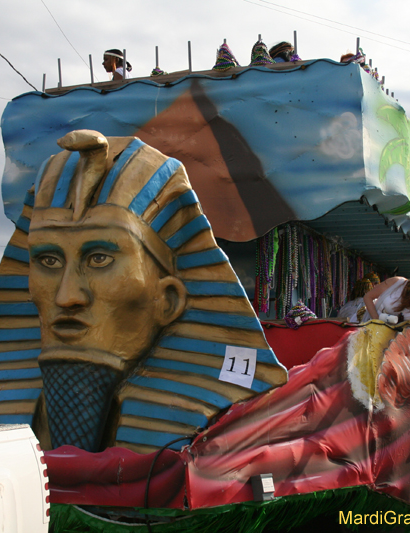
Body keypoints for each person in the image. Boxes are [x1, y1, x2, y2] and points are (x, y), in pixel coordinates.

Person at [26, 130, 287, 453]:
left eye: (99, 259)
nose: (67, 296)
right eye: (48, 260)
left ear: (168, 300)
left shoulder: (234, 444)